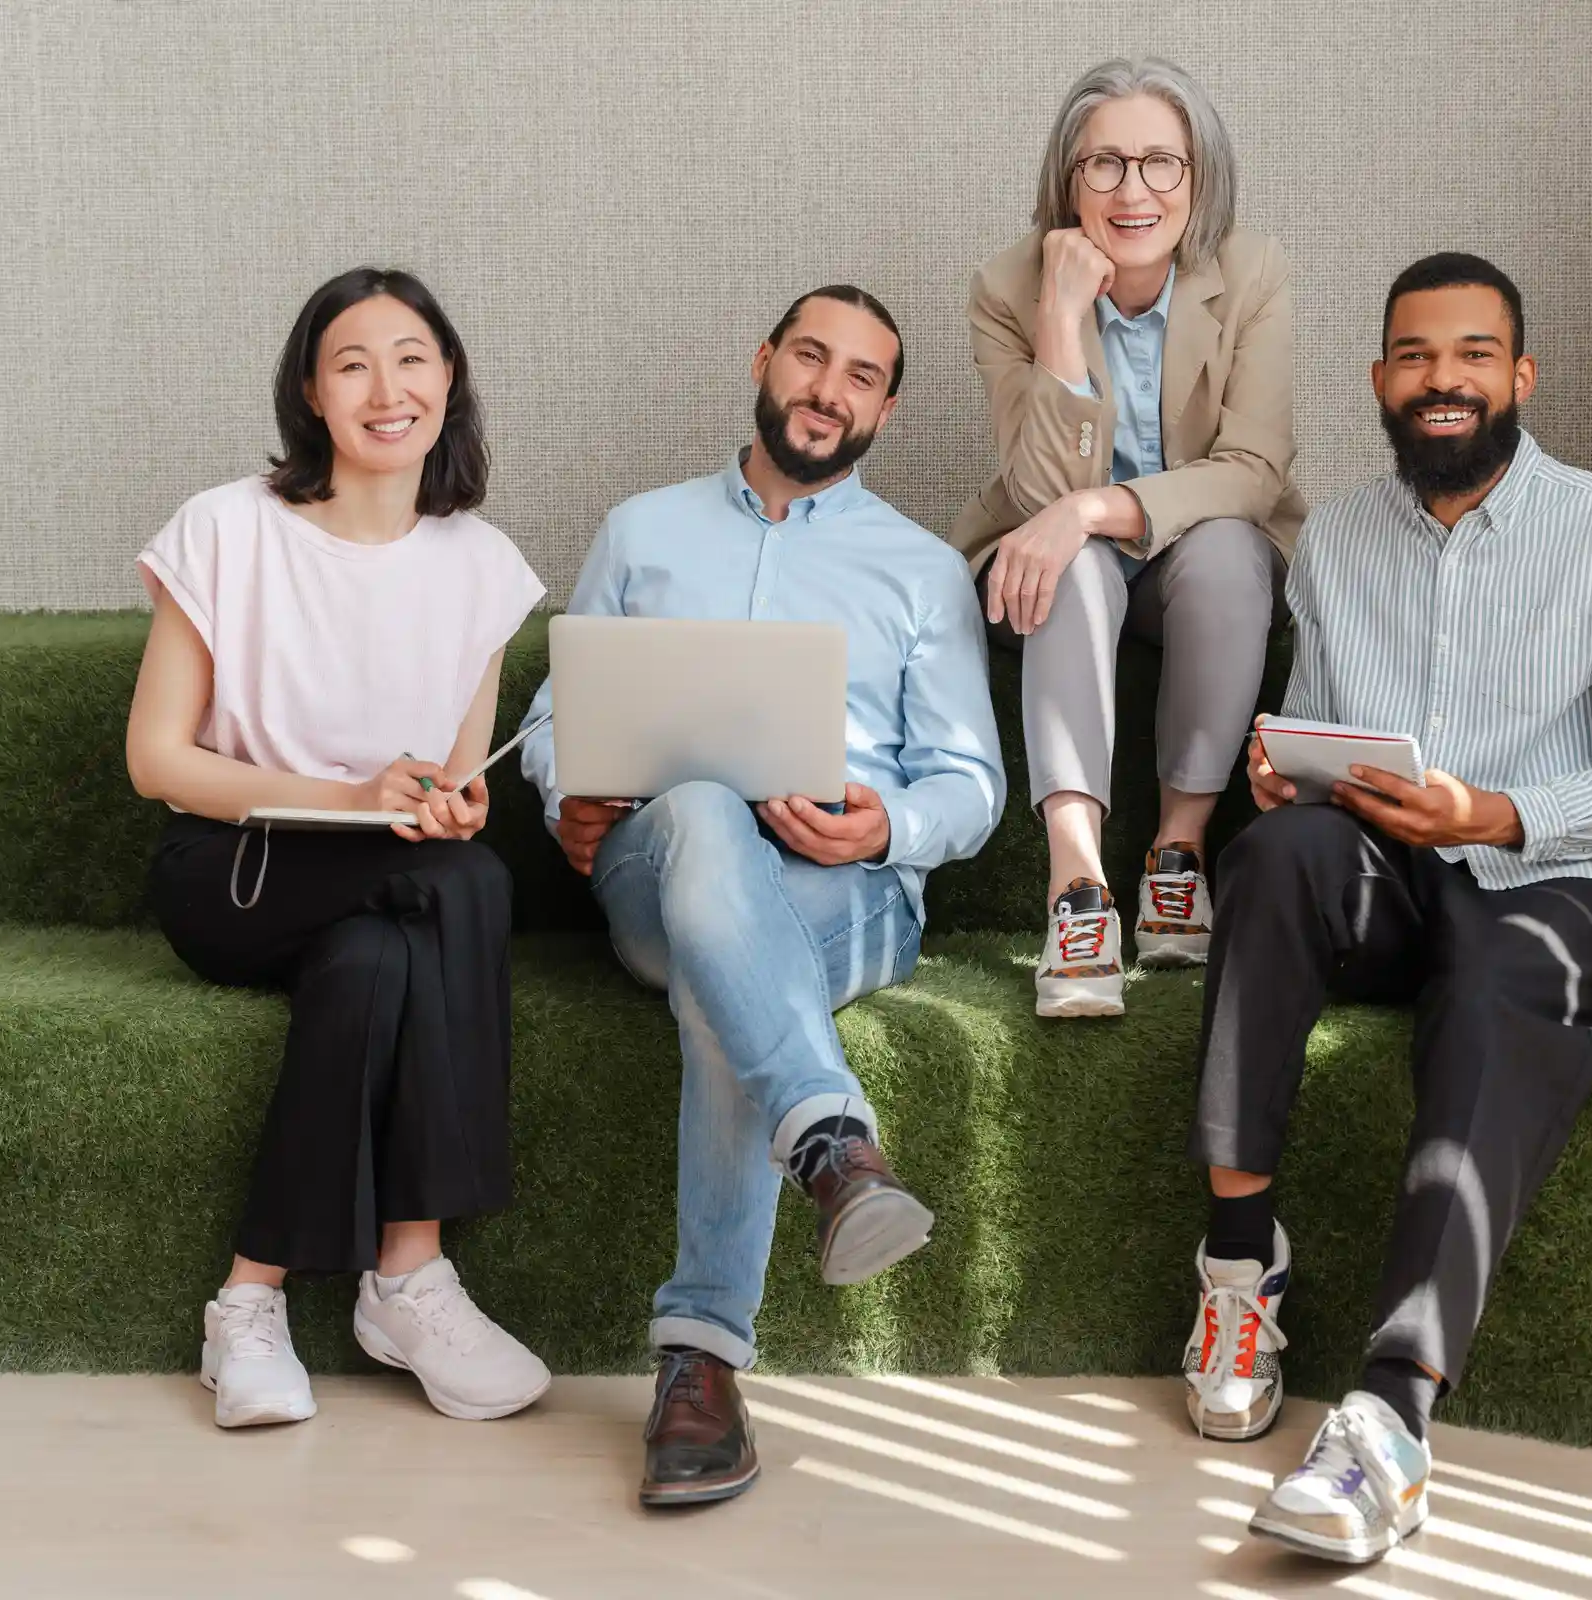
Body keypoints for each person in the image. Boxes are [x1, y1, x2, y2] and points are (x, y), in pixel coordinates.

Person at [1181, 253, 1592, 1566]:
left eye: (1473, 355)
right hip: (1388, 866)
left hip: (1558, 876)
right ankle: (1240, 1267)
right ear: (1380, 381)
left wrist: (1498, 813)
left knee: (1490, 981)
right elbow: (1326, 733)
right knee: (1269, 858)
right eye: (1416, 357)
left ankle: (1391, 1416)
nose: (1444, 380)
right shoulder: (1339, 540)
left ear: (1520, 377)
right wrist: (1280, 769)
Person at [518, 286, 1005, 1508]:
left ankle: (701, 1367)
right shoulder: (642, 531)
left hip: (849, 891)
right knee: (694, 807)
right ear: (765, 360)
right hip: (656, 859)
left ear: (885, 407)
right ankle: (832, 1145)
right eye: (810, 358)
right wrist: (568, 788)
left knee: (722, 984)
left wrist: (884, 821)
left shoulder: (922, 570)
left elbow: (972, 785)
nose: (828, 390)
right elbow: (547, 718)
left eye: (860, 375)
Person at [125, 268, 551, 1431]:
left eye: (412, 357)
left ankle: (248, 1303)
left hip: (385, 897)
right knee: (464, 880)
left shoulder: (483, 567)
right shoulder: (226, 530)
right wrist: (349, 795)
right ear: (311, 393)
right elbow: (157, 760)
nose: (386, 386)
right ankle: (411, 1268)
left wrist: (445, 804)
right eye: (352, 362)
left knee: (382, 952)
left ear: (448, 380)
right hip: (233, 874)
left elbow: (458, 785)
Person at [953, 56, 1303, 1019]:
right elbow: (1040, 491)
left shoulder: (1253, 271)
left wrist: (1093, 510)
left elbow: (1253, 467)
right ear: (1069, 181)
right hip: (1069, 571)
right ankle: (1078, 885)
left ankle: (1177, 850)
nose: (1133, 191)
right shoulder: (1004, 286)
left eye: (1161, 164)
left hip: (1202, 558)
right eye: (1103, 165)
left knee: (1232, 543)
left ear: (1200, 178)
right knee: (1070, 567)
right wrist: (1063, 316)